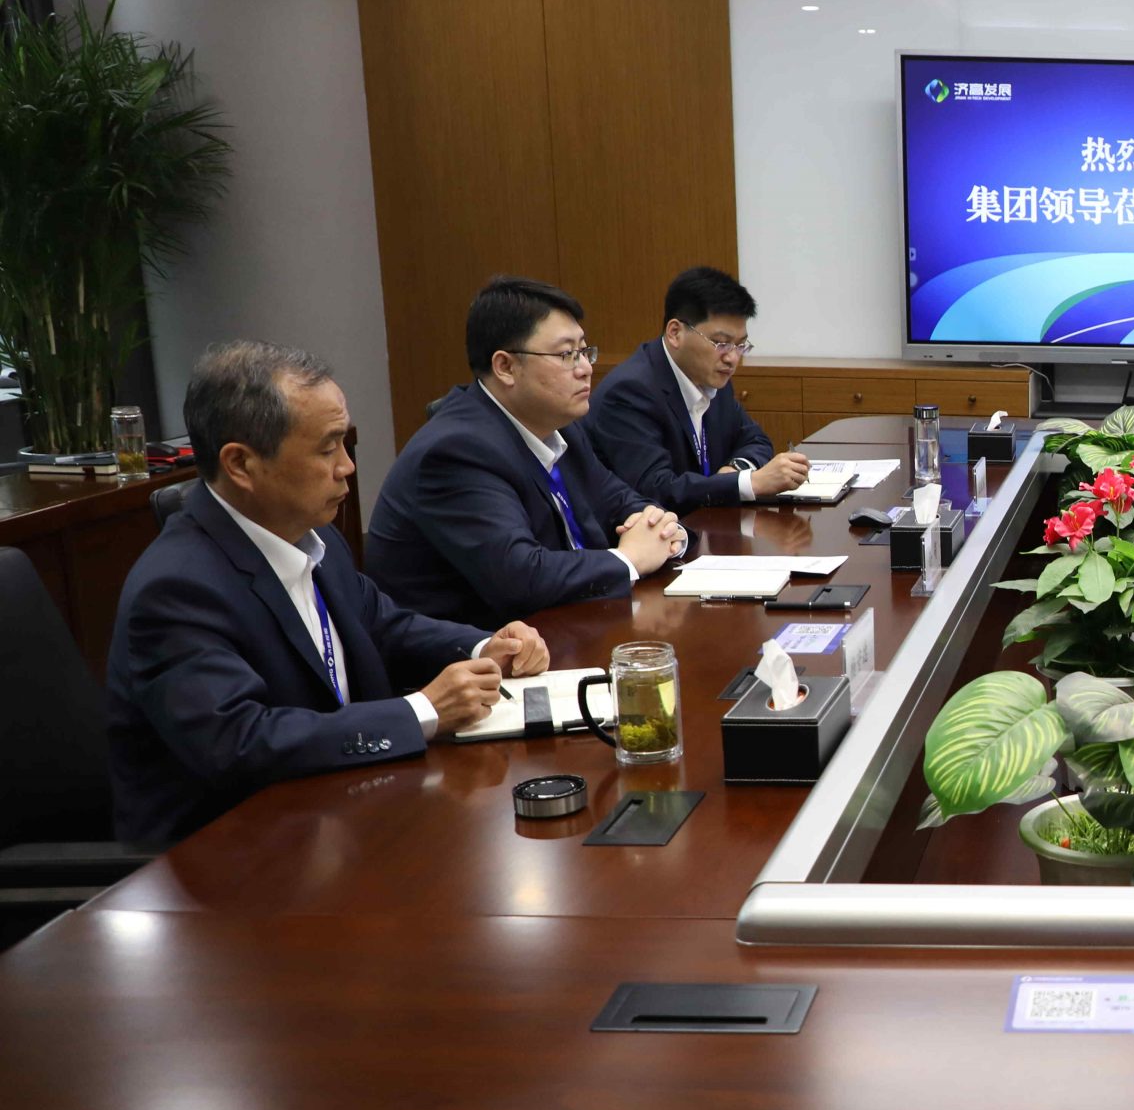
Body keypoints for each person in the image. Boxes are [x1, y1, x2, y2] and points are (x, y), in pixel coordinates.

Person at [106, 341, 550, 849]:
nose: (347, 467)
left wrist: (484, 647)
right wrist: (422, 710)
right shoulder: (176, 589)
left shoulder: (314, 537)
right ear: (241, 464)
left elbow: (382, 625)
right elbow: (241, 742)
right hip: (228, 858)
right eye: (327, 449)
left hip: (341, 815)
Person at [368, 276, 686, 628]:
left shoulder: (560, 424)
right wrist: (629, 559)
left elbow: (619, 500)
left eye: (584, 351)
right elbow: (521, 578)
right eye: (566, 355)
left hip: (571, 625)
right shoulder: (456, 452)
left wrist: (664, 531)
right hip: (479, 651)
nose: (586, 368)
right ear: (505, 367)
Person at [586, 265, 809, 511]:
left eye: (741, 345)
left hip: (706, 523)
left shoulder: (712, 377)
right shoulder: (629, 392)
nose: (732, 358)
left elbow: (755, 439)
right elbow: (656, 489)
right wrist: (748, 483)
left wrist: (735, 470)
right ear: (675, 333)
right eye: (721, 343)